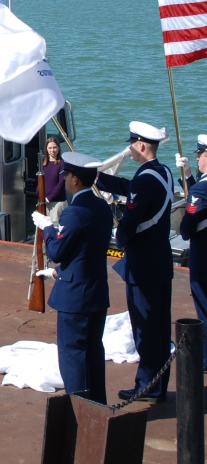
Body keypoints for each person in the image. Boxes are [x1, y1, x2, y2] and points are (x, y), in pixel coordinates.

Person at [96, 121, 173, 402]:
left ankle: (146, 385)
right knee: (161, 327)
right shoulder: (163, 173)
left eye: (132, 144)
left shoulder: (144, 180)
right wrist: (100, 178)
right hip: (161, 261)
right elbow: (130, 188)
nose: (129, 149)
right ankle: (158, 382)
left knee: (145, 327)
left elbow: (129, 223)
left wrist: (120, 236)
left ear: (141, 145)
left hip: (143, 265)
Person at [32, 152, 113, 404]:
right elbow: (84, 249)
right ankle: (97, 405)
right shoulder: (102, 206)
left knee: (72, 357)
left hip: (75, 297)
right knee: (92, 353)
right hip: (96, 291)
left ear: (75, 179)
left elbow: (56, 252)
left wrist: (47, 229)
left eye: (67, 175)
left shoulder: (74, 212)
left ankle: (78, 408)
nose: (65, 179)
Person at [177, 135, 207, 371]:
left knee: (203, 304)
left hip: (203, 252)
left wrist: (184, 228)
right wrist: (187, 175)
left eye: (199, 155)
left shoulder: (201, 188)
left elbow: (187, 226)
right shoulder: (200, 184)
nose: (197, 159)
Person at [43, 137, 67, 223]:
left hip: (57, 203)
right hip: (44, 203)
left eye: (54, 147)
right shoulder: (43, 163)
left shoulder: (62, 164)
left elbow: (61, 184)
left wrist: (49, 198)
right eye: (50, 148)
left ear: (58, 148)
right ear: (46, 149)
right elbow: (39, 182)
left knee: (55, 231)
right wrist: (40, 197)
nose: (52, 150)